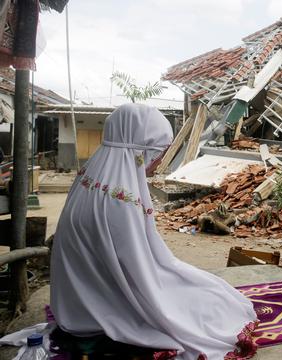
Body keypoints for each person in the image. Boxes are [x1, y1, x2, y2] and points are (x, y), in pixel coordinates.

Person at [50, 104, 258, 360]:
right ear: (140, 149)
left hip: (76, 300)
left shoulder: (92, 176)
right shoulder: (119, 200)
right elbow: (138, 270)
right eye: (158, 152)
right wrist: (169, 278)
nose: (158, 160)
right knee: (211, 302)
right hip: (103, 304)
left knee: (202, 288)